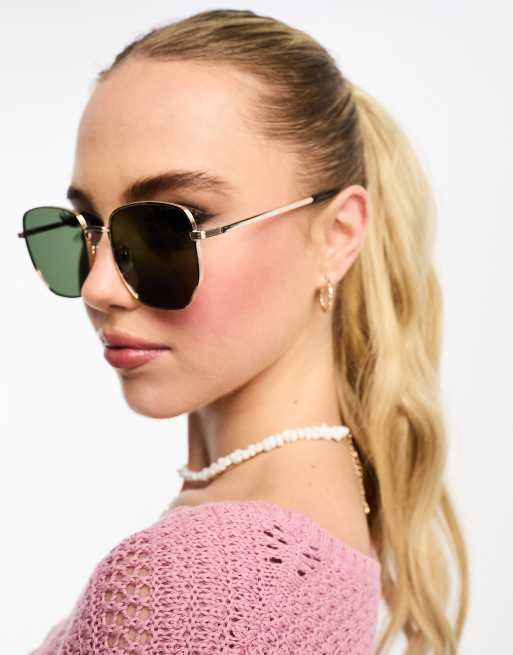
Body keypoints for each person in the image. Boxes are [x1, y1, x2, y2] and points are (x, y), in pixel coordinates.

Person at [22, 8, 469, 654]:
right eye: (85, 228)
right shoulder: (298, 530)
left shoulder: (201, 580)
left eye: (169, 226)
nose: (99, 286)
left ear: (336, 235)